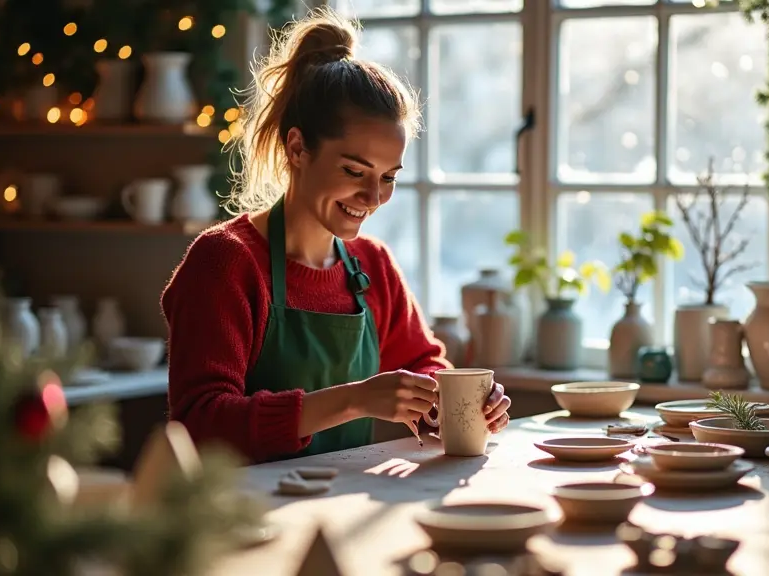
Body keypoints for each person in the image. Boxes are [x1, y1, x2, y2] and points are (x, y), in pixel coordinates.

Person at [161, 8, 511, 464]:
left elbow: (425, 365)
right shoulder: (224, 262)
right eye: (354, 170)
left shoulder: (372, 265)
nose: (373, 196)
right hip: (243, 520)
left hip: (338, 503)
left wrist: (453, 405)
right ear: (297, 148)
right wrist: (354, 400)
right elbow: (199, 426)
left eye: (388, 177)